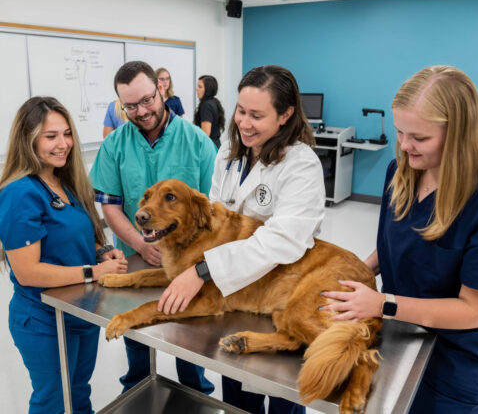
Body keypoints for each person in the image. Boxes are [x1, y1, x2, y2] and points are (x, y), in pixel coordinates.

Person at [321, 65, 478, 414]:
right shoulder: (400, 174)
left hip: (450, 365)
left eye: (419, 137)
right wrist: (352, 271)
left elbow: (476, 310)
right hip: (394, 339)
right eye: (401, 132)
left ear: (457, 134)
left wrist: (383, 303)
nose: (404, 146)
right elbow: (396, 247)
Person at [158, 65, 326, 414]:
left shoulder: (301, 166)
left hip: (281, 294)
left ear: (286, 115)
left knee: (280, 393)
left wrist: (204, 271)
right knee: (235, 391)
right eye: (241, 111)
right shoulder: (229, 154)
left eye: (257, 115)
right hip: (235, 293)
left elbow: (281, 241)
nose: (244, 123)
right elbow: (218, 222)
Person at [89, 61, 218, 395]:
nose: (141, 111)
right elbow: (111, 205)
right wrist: (141, 245)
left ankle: (195, 391)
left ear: (161, 89)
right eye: (130, 106)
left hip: (189, 265)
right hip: (136, 257)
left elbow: (213, 213)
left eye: (147, 100)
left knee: (189, 338)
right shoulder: (114, 145)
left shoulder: (197, 142)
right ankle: (137, 388)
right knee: (135, 334)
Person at [0, 96, 128, 414]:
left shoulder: (63, 182)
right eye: (51, 136)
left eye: (67, 133)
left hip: (80, 314)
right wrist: (93, 272)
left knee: (78, 394)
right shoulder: (20, 193)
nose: (64, 144)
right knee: (54, 401)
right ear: (28, 140)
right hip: (43, 319)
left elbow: (76, 233)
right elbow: (28, 271)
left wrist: (103, 252)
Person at [194, 75, 225, 148]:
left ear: (208, 89)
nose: (196, 89)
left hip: (209, 147)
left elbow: (205, 134)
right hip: (215, 145)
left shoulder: (206, 105)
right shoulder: (214, 102)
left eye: (200, 87)